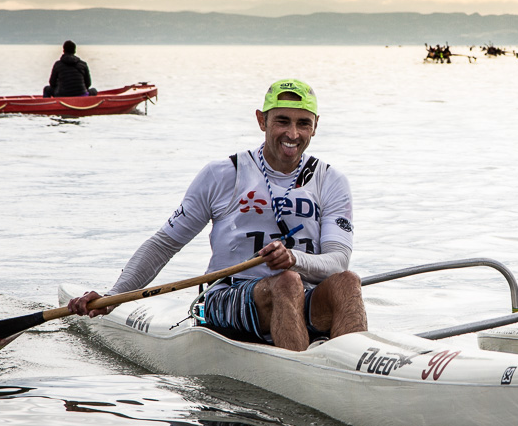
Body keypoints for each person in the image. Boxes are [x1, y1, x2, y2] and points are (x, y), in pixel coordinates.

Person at [67, 78, 366, 352]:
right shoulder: (224, 174)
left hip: (300, 296)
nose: (293, 134)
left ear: (315, 127)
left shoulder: (330, 180)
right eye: (282, 121)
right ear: (262, 120)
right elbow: (165, 244)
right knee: (286, 282)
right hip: (228, 296)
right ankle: (303, 378)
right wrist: (113, 296)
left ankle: (355, 373)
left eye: (303, 124)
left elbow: (337, 261)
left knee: (347, 282)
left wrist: (294, 258)